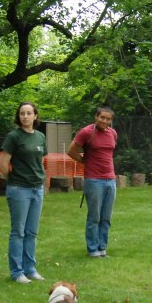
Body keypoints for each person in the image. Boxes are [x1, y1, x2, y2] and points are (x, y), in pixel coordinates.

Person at [0, 102, 47, 283]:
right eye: (22, 113)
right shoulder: (14, 137)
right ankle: (17, 272)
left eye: (29, 113)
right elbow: (3, 165)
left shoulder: (41, 137)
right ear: (18, 116)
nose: (25, 116)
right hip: (19, 189)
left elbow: (40, 162)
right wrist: (14, 180)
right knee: (18, 232)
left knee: (32, 232)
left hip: (37, 189)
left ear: (35, 116)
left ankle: (30, 268)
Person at [67, 106, 117, 257]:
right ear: (96, 117)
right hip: (94, 180)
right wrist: (85, 162)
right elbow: (71, 151)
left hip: (110, 179)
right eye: (102, 117)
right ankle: (92, 249)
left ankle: (102, 248)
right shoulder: (87, 132)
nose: (105, 121)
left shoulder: (113, 133)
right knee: (94, 217)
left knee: (106, 217)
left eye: (108, 119)